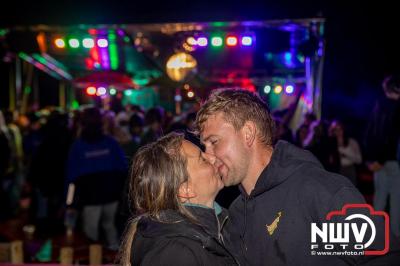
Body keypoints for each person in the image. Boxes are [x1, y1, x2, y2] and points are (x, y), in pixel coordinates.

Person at [196, 88, 400, 265]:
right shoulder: (238, 213)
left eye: (214, 142)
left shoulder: (315, 192)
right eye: (204, 147)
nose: (208, 156)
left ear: (248, 133)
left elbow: (384, 257)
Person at [118, 132, 238, 265]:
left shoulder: (221, 221)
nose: (213, 157)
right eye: (203, 159)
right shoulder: (176, 253)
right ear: (185, 189)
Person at [66, 107, 127, 250]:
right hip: (111, 195)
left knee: (91, 233)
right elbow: (123, 168)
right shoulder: (111, 142)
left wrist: (69, 202)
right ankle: (116, 256)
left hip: (90, 198)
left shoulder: (78, 146)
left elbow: (71, 178)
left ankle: (93, 258)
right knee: (110, 227)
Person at [365, 74, 400, 237]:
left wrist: (371, 160)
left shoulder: (377, 106)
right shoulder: (395, 108)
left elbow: (369, 134)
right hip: (391, 161)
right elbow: (390, 136)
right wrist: (380, 159)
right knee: (396, 203)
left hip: (378, 161)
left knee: (379, 201)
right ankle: (395, 244)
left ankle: (376, 239)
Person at [330, 120, 362, 185]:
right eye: (336, 130)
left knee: (350, 192)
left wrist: (345, 152)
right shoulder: (331, 143)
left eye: (340, 129)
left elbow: (359, 160)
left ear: (344, 129)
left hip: (350, 170)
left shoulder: (352, 142)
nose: (338, 132)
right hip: (337, 172)